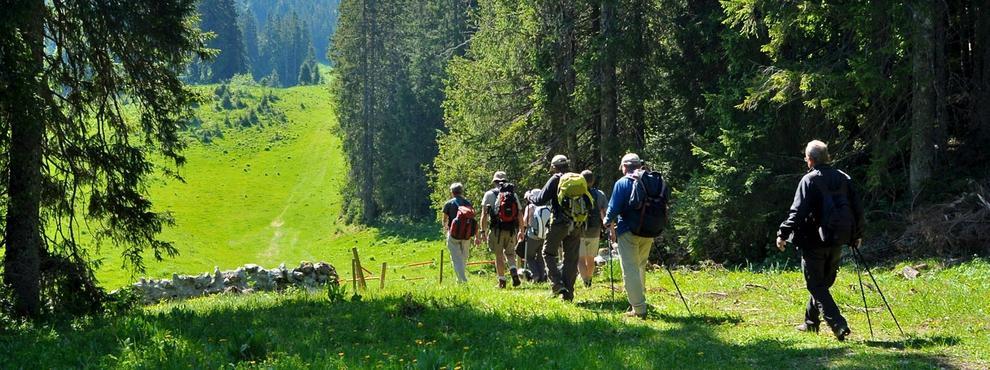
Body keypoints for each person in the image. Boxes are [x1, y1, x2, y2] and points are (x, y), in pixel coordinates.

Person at [775, 140, 865, 341]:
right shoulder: (844, 178)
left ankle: (838, 324)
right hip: (838, 239)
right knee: (822, 283)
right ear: (827, 157)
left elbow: (797, 212)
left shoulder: (809, 180)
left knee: (816, 285)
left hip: (813, 242)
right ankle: (810, 323)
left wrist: (782, 234)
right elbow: (857, 209)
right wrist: (857, 234)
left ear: (810, 159)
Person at [603, 153, 654, 319]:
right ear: (639, 165)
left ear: (624, 167)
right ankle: (640, 299)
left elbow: (614, 207)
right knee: (641, 264)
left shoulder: (622, 183)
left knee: (630, 267)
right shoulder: (649, 180)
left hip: (628, 230)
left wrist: (606, 221)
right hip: (649, 230)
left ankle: (638, 308)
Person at [527, 155, 584, 301]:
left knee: (548, 253)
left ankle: (557, 283)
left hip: (559, 223)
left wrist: (529, 196)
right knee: (571, 258)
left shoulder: (555, 179)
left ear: (553, 166)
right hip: (577, 222)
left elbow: (539, 200)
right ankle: (568, 294)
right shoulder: (577, 178)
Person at [479, 171, 525, 288]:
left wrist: (483, 231)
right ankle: (513, 270)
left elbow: (484, 215)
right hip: (511, 230)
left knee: (499, 255)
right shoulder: (512, 195)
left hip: (496, 230)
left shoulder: (489, 194)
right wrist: (521, 230)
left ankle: (502, 281)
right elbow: (520, 214)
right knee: (510, 254)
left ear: (494, 181)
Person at [578, 170, 608, 288]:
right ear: (593, 180)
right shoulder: (599, 194)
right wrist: (610, 229)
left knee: (580, 258)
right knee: (590, 258)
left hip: (579, 230)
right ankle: (589, 280)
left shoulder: (576, 193)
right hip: (594, 230)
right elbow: (605, 213)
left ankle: (585, 281)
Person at [441, 182, 476, 283]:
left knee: (456, 258)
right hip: (466, 234)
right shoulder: (467, 203)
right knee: (463, 257)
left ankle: (463, 279)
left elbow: (444, 220)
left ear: (452, 192)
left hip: (453, 234)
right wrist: (475, 234)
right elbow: (473, 219)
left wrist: (446, 230)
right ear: (461, 191)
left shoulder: (448, 203)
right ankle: (459, 280)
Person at [520, 189, 549, 283]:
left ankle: (535, 275)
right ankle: (542, 277)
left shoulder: (530, 207)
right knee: (541, 257)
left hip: (532, 236)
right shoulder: (546, 207)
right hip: (544, 236)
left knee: (529, 256)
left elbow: (525, 222)